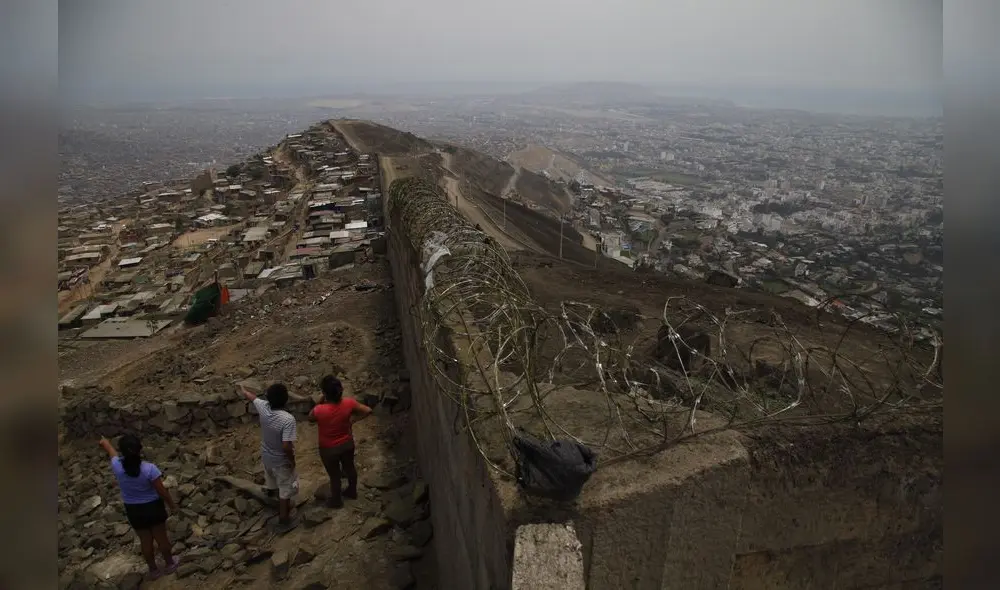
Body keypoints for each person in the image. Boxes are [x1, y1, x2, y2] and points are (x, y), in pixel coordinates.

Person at [99, 434, 179, 580]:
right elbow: (162, 492)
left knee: (145, 540)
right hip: (153, 507)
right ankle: (169, 564)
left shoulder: (118, 467)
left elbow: (112, 452)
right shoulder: (149, 469)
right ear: (140, 450)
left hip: (134, 510)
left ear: (122, 451)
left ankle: (153, 570)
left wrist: (105, 443)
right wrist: (172, 505)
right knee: (161, 538)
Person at [239, 382, 299, 533]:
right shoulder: (288, 419)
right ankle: (283, 519)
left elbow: (252, 397)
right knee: (285, 489)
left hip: (267, 456)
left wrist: (242, 389)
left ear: (268, 398)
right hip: (281, 460)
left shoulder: (264, 408)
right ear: (286, 400)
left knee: (271, 478)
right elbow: (286, 446)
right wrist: (292, 461)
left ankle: (273, 497)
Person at [309, 375, 372, 508]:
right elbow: (367, 410)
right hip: (347, 444)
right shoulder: (349, 403)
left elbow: (310, 418)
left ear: (325, 393)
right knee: (349, 467)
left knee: (335, 475)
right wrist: (353, 421)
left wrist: (320, 402)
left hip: (328, 449)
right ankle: (352, 491)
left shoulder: (319, 410)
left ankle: (336, 501)